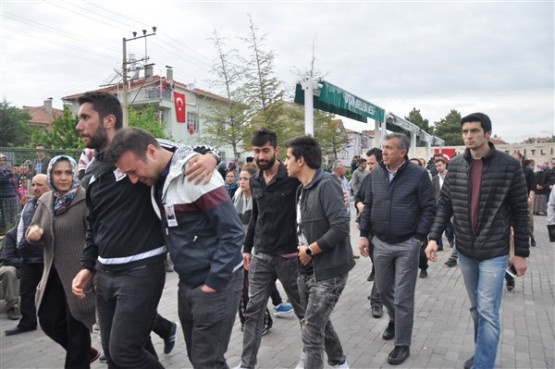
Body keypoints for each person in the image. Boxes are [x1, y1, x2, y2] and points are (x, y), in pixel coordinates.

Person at [71, 91, 217, 369]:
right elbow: (93, 225)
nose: (79, 126)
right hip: (105, 275)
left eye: (85, 118)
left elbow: (195, 150)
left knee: (125, 352)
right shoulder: (89, 171)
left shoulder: (141, 149)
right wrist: (87, 266)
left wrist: (210, 157)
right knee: (115, 357)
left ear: (109, 120)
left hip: (141, 271)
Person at [107, 127, 244, 369]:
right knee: (198, 359)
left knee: (207, 362)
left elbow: (232, 232)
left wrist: (214, 282)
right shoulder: (160, 179)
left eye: (134, 171)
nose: (133, 179)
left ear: (151, 151)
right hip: (188, 283)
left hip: (215, 284)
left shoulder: (195, 173)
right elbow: (172, 147)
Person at [425, 112, 529, 369]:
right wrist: (433, 237)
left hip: (495, 252)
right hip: (466, 252)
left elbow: (520, 211)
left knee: (487, 312)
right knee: (476, 309)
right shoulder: (457, 165)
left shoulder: (509, 166)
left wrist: (521, 253)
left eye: (474, 131)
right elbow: (445, 205)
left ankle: (483, 364)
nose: (469, 136)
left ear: (488, 133)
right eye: (465, 132)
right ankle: (484, 353)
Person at [234, 128, 310, 369]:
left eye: (265, 151)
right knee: (253, 311)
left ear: (276, 150)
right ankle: (247, 364)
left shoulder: (291, 176)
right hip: (261, 254)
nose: (261, 156)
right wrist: (247, 248)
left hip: (289, 255)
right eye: (256, 151)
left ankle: (309, 355)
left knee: (302, 310)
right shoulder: (255, 180)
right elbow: (256, 217)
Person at [358, 133, 436, 366]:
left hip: (406, 244)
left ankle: (402, 345)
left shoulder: (419, 175)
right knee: (383, 291)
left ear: (403, 152)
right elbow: (369, 205)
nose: (385, 152)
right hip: (380, 243)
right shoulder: (376, 174)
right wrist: (363, 235)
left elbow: (429, 208)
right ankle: (394, 320)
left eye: (390, 148)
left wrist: (419, 238)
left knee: (403, 297)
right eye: (383, 147)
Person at [284, 136, 353, 369]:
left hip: (329, 269)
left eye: (288, 157)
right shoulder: (301, 189)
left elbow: (341, 227)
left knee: (312, 329)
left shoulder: (327, 184)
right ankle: (339, 362)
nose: (285, 162)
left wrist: (311, 250)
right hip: (305, 268)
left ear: (301, 160)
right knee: (315, 322)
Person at [26, 156, 99, 367]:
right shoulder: (46, 200)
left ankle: (80, 354)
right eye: (58, 173)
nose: (64, 177)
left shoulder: (85, 199)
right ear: (50, 175)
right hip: (52, 275)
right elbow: (33, 226)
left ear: (75, 173)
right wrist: (33, 232)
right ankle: (84, 352)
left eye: (68, 172)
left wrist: (93, 271)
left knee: (77, 331)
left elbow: (95, 236)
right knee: (48, 320)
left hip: (79, 277)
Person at [5, 174, 49, 336]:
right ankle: (27, 322)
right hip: (28, 257)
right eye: (34, 185)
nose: (35, 188)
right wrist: (21, 246)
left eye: (40, 185)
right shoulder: (29, 204)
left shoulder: (54, 203)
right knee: (26, 292)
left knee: (53, 293)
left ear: (49, 186)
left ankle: (58, 323)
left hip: (47, 257)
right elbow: (22, 227)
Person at [355, 148, 384, 318]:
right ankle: (380, 293)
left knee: (382, 268)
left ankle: (376, 300)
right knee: (380, 267)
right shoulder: (369, 178)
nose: (369, 167)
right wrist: (359, 206)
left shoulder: (387, 180)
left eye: (372, 163)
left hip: (385, 233)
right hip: (370, 230)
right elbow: (358, 197)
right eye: (368, 163)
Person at [0, 228, 21, 321]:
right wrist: (25, 262)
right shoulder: (11, 235)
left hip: (30, 264)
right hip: (11, 265)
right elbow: (6, 258)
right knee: (9, 271)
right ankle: (12, 306)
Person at [0, 153, 19, 235]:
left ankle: (13, 231)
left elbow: (13, 181)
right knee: (6, 216)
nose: (2, 161)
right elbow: (2, 181)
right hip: (4, 196)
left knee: (13, 215)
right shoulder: (7, 172)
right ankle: (6, 232)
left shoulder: (6, 170)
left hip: (12, 195)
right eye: (1, 160)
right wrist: (11, 175)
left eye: (4, 160)